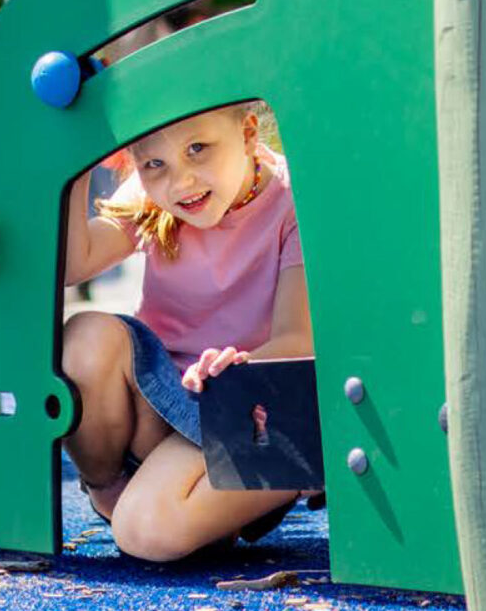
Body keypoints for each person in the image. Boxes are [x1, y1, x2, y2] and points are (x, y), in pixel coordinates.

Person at [61, 102, 311, 562]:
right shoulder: (153, 194)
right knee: (84, 338)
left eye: (199, 149)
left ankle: (275, 485)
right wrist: (77, 159)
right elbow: (78, 262)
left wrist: (240, 366)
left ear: (249, 132)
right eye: (154, 163)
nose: (182, 181)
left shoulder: (294, 201)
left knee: (146, 531)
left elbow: (297, 339)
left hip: (238, 409)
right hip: (160, 402)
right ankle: (112, 490)